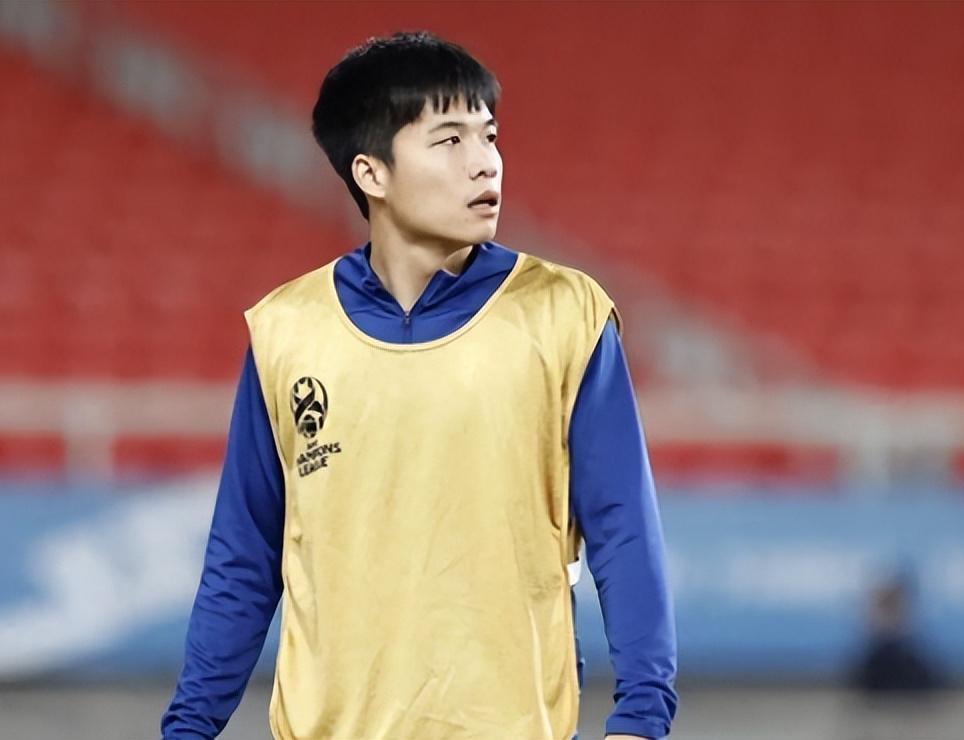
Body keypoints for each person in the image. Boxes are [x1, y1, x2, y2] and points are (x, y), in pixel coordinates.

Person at [161, 31, 677, 740]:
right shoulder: (287, 330)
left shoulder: (566, 315)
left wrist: (642, 714)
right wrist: (189, 728)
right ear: (371, 173)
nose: (485, 162)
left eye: (489, 136)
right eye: (450, 140)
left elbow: (623, 529)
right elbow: (244, 557)